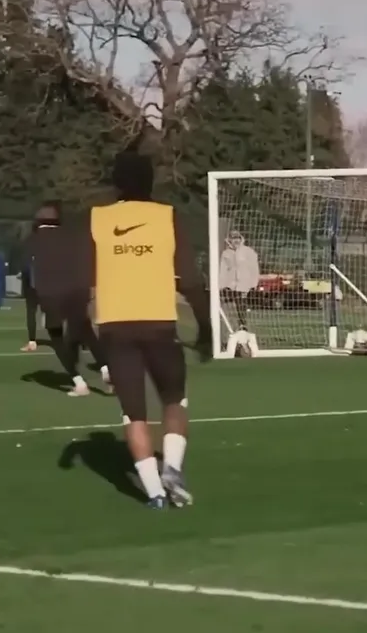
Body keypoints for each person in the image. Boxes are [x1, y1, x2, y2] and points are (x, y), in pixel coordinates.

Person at [87, 150, 210, 508]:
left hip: (114, 327)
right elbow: (190, 280)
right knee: (174, 400)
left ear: (116, 182)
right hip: (158, 325)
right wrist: (205, 327)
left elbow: (83, 279)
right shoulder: (167, 216)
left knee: (133, 413)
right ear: (150, 181)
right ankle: (172, 468)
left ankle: (154, 493)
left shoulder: (97, 218)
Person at [24, 202, 109, 396]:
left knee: (56, 336)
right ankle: (105, 367)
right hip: (78, 291)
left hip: (51, 293)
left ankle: (79, 382)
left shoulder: (33, 239)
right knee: (85, 329)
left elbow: (27, 268)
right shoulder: (73, 236)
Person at [219, 230, 259, 329]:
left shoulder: (248, 251)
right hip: (231, 285)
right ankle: (233, 326)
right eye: (233, 238)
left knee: (241, 305)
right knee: (232, 306)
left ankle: (243, 325)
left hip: (245, 284)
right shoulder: (226, 253)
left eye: (237, 238)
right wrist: (221, 285)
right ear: (229, 240)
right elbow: (223, 270)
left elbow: (254, 268)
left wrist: (254, 283)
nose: (236, 240)